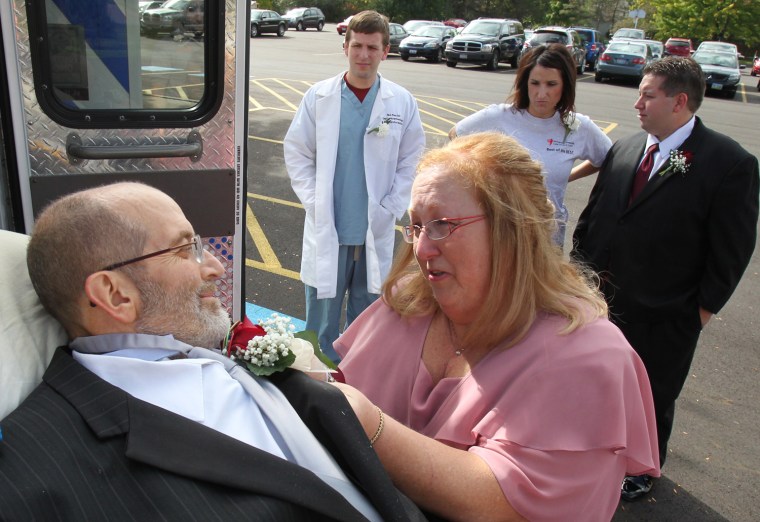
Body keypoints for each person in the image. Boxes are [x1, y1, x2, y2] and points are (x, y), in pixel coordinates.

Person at [0, 182, 426, 521]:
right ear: (115, 294)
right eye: (185, 249)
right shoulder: (33, 469)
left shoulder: (229, 353)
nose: (216, 267)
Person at [332, 132, 660, 521]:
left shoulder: (587, 354)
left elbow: (506, 504)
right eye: (417, 226)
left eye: (442, 224)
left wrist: (366, 424)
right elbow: (345, 388)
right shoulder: (410, 302)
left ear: (513, 229)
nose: (421, 248)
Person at [572, 57, 759, 501]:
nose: (637, 103)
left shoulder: (729, 163)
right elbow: (596, 216)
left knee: (651, 394)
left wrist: (700, 312)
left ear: (679, 101)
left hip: (667, 313)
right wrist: (577, 279)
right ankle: (594, 452)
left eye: (647, 95)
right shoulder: (627, 147)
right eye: (638, 93)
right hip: (600, 301)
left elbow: (731, 250)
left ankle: (640, 468)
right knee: (594, 383)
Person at [284, 10, 426, 362]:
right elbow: (297, 151)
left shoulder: (401, 102)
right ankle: (316, 385)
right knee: (320, 323)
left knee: (369, 319)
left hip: (374, 227)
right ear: (345, 47)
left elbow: (412, 158)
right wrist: (315, 201)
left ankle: (360, 386)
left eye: (372, 47)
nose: (364, 55)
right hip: (328, 223)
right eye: (357, 46)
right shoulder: (319, 97)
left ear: (385, 51)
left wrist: (392, 205)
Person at [449, 44, 611, 247]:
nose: (541, 93)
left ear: (566, 85)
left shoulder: (577, 127)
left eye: (551, 84)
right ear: (525, 83)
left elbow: (607, 158)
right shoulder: (500, 116)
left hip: (548, 236)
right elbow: (456, 134)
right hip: (503, 233)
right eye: (535, 83)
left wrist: (567, 177)